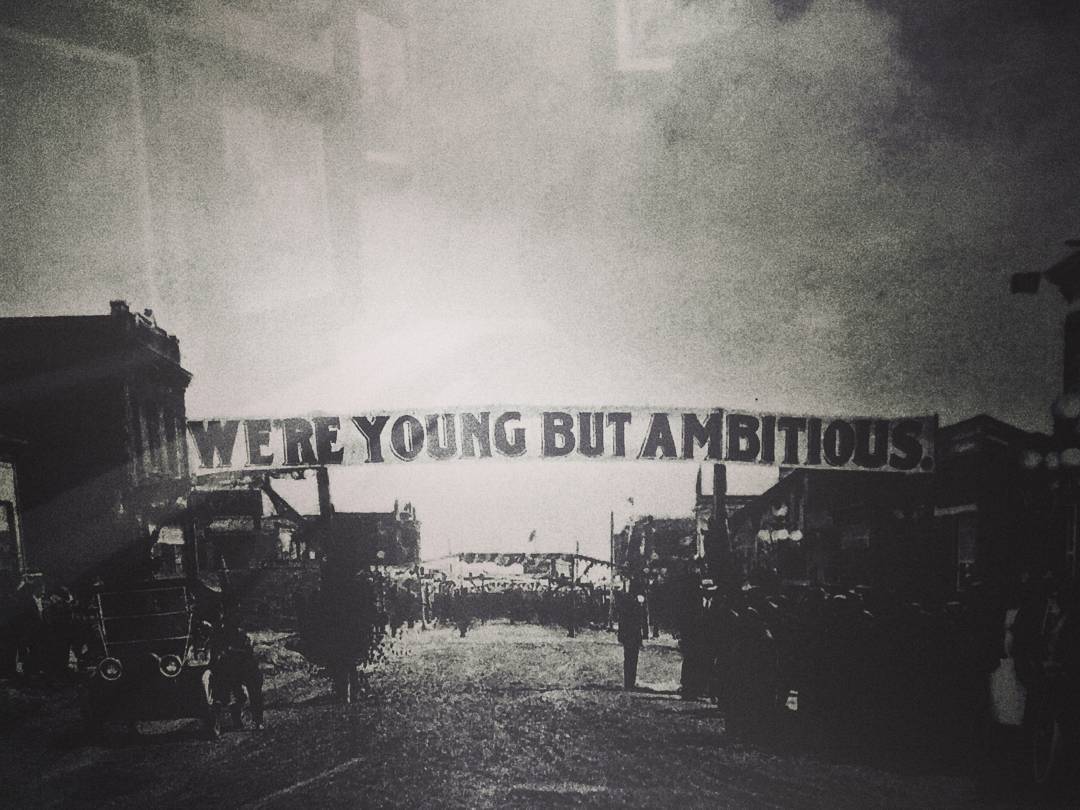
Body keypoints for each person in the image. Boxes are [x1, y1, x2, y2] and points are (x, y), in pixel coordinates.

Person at [210, 609, 264, 732]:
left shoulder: (244, 636)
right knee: (232, 694)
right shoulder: (220, 636)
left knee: (254, 690)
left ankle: (258, 720)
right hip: (231, 668)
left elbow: (248, 652)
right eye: (227, 624)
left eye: (232, 624)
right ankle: (237, 720)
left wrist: (231, 651)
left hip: (246, 666)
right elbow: (217, 653)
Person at [617, 589, 647, 690]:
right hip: (634, 635)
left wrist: (620, 636)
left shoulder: (625, 601)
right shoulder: (638, 603)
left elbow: (621, 620)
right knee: (633, 659)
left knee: (628, 659)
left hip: (628, 635)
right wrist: (643, 636)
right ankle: (630, 683)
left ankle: (628, 683)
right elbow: (641, 620)